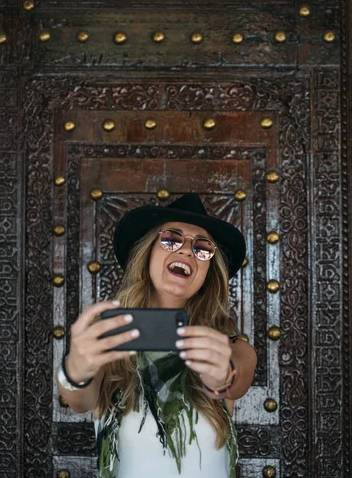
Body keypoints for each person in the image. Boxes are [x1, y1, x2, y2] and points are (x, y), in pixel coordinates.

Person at [56, 193, 257, 478]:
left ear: (208, 272)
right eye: (171, 239)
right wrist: (74, 371)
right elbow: (80, 401)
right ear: (148, 252)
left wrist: (223, 374)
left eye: (202, 247)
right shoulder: (110, 339)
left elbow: (236, 378)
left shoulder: (230, 346)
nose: (187, 251)